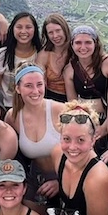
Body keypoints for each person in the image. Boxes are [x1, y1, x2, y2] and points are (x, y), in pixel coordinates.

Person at [5, 65, 65, 204]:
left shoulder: (60, 110)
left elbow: (84, 151)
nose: (35, 91)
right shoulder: (13, 116)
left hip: (67, 177)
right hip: (36, 181)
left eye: (39, 84)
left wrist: (60, 181)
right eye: (28, 86)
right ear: (18, 88)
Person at [63, 26, 108, 152]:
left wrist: (105, 127)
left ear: (95, 43)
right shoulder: (69, 70)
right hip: (87, 119)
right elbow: (73, 106)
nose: (83, 47)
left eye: (88, 42)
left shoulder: (107, 63)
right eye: (78, 42)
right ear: (72, 45)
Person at [0, 11, 42, 107]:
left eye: (28, 27)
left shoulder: (40, 55)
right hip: (7, 106)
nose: (23, 31)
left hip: (34, 106)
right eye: (19, 27)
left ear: (35, 30)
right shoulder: (3, 55)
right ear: (12, 29)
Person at [37, 13, 71, 103]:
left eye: (58, 31)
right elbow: (40, 83)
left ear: (65, 29)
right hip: (50, 100)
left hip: (75, 99)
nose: (55, 36)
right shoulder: (44, 55)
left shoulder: (76, 50)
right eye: (51, 33)